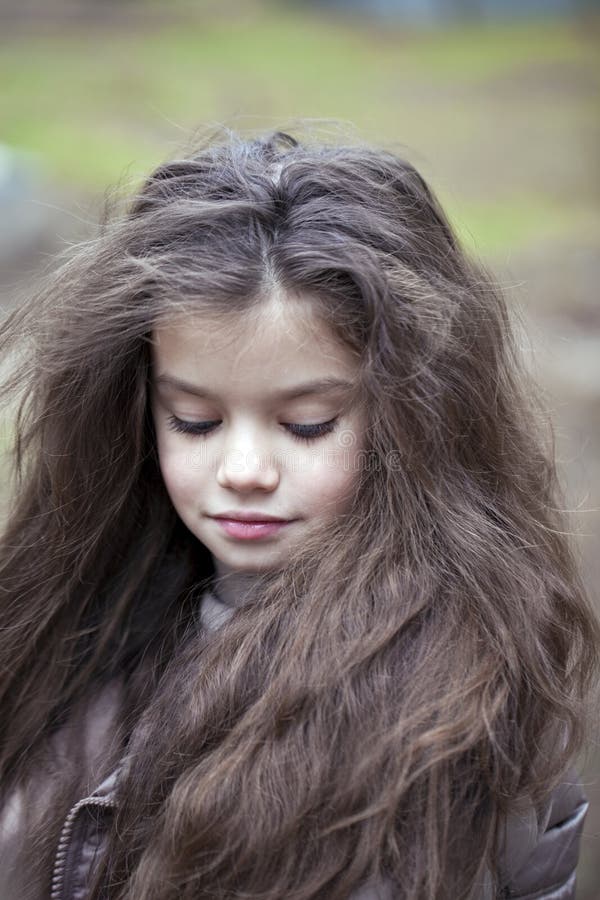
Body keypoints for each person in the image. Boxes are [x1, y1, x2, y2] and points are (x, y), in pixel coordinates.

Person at [0, 126, 597, 900]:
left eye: (307, 424)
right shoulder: (70, 621)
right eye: (195, 421)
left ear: (414, 418)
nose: (244, 472)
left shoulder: (462, 707)